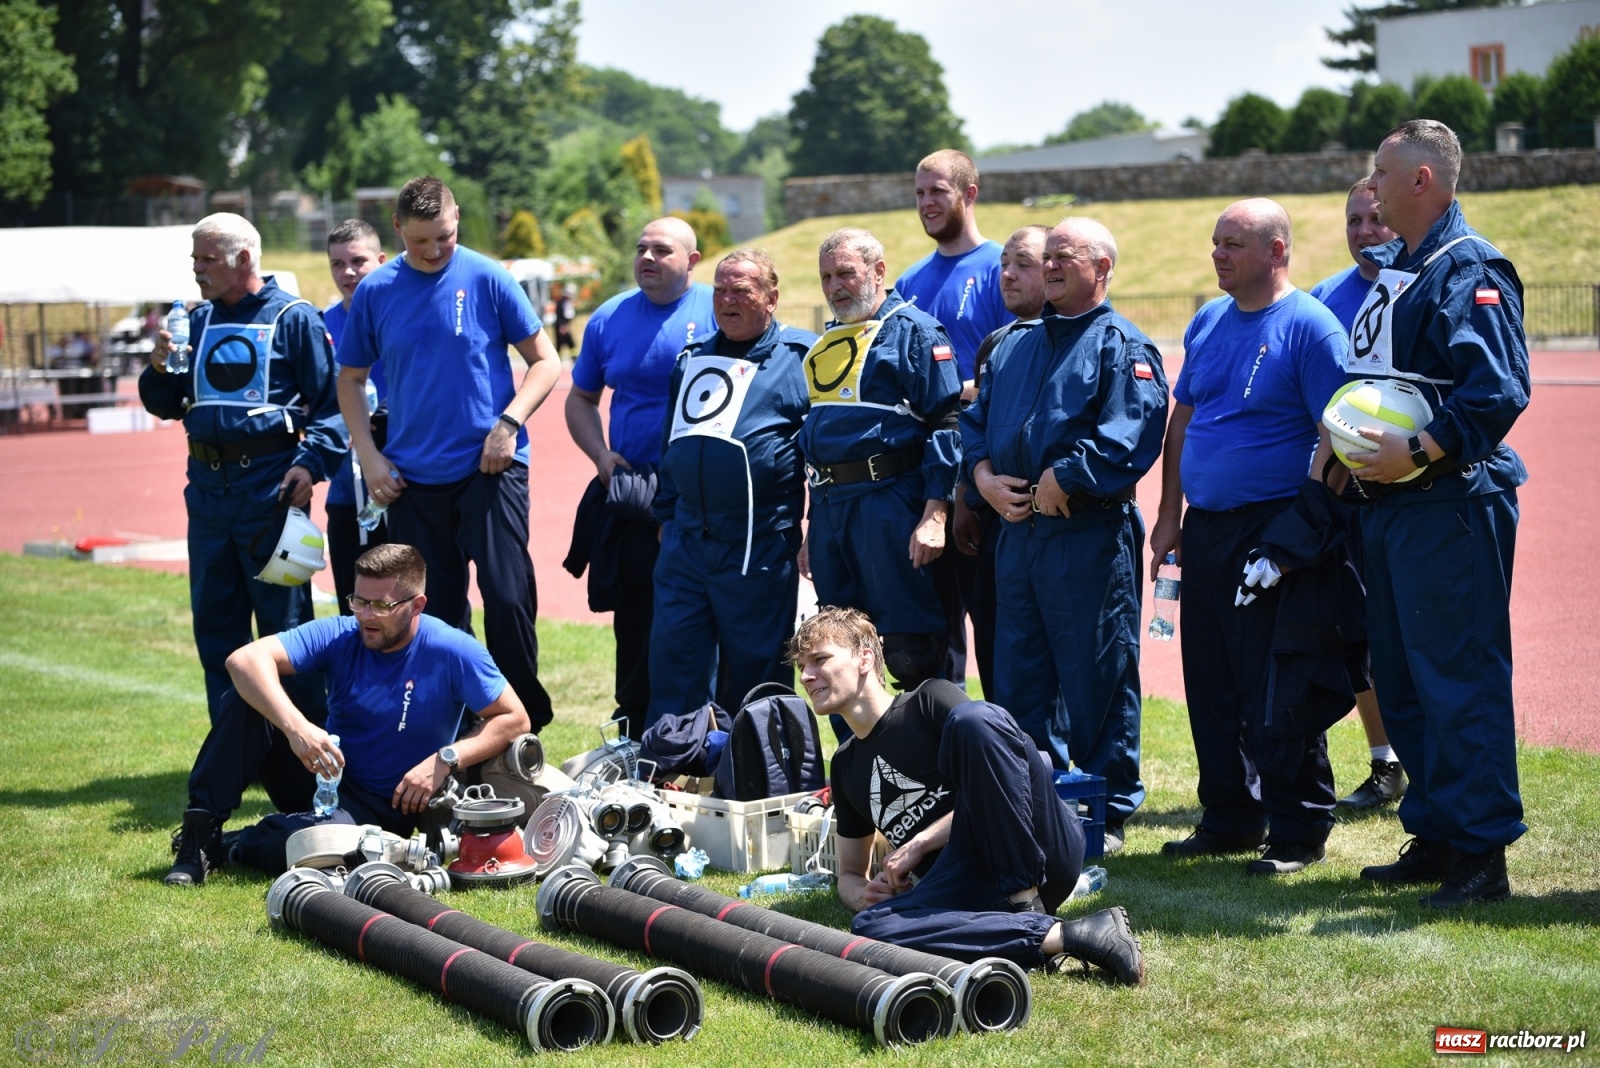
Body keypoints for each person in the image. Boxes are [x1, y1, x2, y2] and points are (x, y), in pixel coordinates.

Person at [1345, 120, 1530, 907]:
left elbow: (1497, 392)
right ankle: (1438, 831)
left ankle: (1482, 854)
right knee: (1405, 679)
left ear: (1423, 180)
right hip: (1392, 509)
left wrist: (1418, 453)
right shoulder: (1402, 270)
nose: (1373, 186)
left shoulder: (1470, 269)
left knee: (1458, 676)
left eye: (1383, 172)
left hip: (1447, 505)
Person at [1149, 198, 1348, 876]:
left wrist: (1298, 536)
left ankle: (1298, 827)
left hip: (1273, 528)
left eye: (1234, 243)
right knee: (1210, 677)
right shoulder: (1208, 319)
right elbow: (1183, 424)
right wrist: (1170, 512)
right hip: (1205, 527)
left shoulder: (1312, 328)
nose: (1219, 253)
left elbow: (1336, 436)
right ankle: (1231, 814)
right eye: (1216, 242)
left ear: (1277, 251)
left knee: (1275, 677)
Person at [789, 607, 1143, 984]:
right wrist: (865, 894)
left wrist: (920, 842)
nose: (807, 677)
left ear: (864, 658)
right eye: (802, 668)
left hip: (1038, 853)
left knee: (977, 721)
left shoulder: (928, 700)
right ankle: (1066, 935)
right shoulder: (844, 766)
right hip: (964, 887)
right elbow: (848, 873)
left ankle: (1025, 900)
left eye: (820, 660)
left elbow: (1013, 771)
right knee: (872, 928)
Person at [962, 218, 1169, 854]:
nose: (1049, 266)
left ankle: (1104, 809)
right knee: (1019, 678)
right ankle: (1034, 803)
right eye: (1045, 256)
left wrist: (1069, 476)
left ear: (1101, 268)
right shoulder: (1013, 346)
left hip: (1087, 536)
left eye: (1065, 257)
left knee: (1097, 676)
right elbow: (973, 423)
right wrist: (984, 478)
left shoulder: (1121, 345)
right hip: (1018, 539)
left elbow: (1132, 431)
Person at [336, 177, 560, 732]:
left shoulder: (487, 275)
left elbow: (547, 362)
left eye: (445, 237)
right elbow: (350, 380)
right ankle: (453, 729)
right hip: (411, 480)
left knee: (508, 599)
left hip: (492, 467)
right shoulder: (377, 291)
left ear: (457, 219)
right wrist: (369, 456)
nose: (435, 251)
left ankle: (519, 728)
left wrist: (509, 424)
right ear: (397, 231)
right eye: (420, 243)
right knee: (433, 614)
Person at [165, 544, 531, 884]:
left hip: (382, 806)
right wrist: (298, 730)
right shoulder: (343, 633)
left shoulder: (452, 650)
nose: (366, 616)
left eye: (381, 606)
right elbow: (242, 660)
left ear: (417, 605)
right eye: (359, 601)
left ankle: (245, 841)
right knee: (249, 696)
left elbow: (514, 717)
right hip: (322, 774)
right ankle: (201, 834)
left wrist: (445, 759)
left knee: (298, 850)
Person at [139, 212, 343, 730]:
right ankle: (235, 756)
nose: (197, 269)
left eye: (207, 258)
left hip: (273, 492)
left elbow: (333, 407)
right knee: (216, 626)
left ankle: (305, 755)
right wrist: (159, 367)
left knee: (288, 627)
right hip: (207, 494)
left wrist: (311, 464)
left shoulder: (296, 317)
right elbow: (163, 403)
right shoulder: (196, 320)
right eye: (194, 258)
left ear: (244, 258)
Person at [646, 249, 814, 726]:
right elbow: (671, 446)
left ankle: (757, 780)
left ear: (771, 297)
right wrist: (666, 518)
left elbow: (820, 457)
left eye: (741, 289)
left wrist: (814, 527)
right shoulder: (693, 360)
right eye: (720, 289)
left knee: (756, 680)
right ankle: (671, 776)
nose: (726, 300)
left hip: (756, 547)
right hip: (686, 545)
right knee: (674, 666)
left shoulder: (801, 360)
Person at [565, 217, 716, 739]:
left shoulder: (720, 310)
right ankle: (633, 730)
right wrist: (602, 458)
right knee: (635, 622)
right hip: (634, 496)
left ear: (692, 260)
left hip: (702, 494)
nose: (647, 258)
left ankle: (705, 732)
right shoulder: (608, 317)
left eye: (662, 250)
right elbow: (581, 397)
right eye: (641, 249)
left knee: (700, 620)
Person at [798, 228, 962, 694]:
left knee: (910, 650)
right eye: (826, 276)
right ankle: (860, 764)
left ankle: (933, 762)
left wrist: (936, 513)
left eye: (846, 273)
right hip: (833, 512)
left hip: (890, 505)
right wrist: (815, 526)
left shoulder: (915, 332)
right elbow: (820, 439)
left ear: (879, 272)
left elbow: (946, 423)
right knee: (840, 651)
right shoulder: (827, 342)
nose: (835, 286)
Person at [895, 149, 1014, 688]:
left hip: (981, 475)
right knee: (930, 631)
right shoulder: (906, 281)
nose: (926, 203)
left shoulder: (1001, 271)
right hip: (920, 480)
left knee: (995, 626)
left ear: (970, 193)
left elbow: (1016, 368)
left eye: (937, 191)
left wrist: (959, 395)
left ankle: (1005, 753)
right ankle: (943, 752)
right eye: (919, 193)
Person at [1309, 183, 1407, 811]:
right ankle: (1384, 760)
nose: (1366, 231)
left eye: (1376, 219)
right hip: (1339, 494)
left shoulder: (1416, 287)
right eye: (1354, 220)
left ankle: (1424, 757)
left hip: (1408, 489)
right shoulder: (1323, 302)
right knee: (1352, 629)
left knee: (1406, 631)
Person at [951, 224, 1050, 700]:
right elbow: (976, 428)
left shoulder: (1087, 339)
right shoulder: (996, 343)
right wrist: (969, 495)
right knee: (997, 649)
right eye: (1004, 265)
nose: (1007, 276)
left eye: (1022, 265)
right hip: (994, 526)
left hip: (1059, 527)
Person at [321, 219, 389, 613]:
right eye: (336, 264)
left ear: (380, 260)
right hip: (348, 492)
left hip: (408, 485)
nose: (347, 272)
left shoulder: (402, 315)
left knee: (417, 601)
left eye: (357, 261)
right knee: (355, 603)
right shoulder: (320, 325)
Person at [551, 283, 576, 359]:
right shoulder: (561, 302)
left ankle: (574, 359)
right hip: (561, 327)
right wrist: (562, 326)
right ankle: (558, 361)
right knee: (560, 345)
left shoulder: (567, 302)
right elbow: (560, 315)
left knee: (571, 344)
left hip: (565, 326)